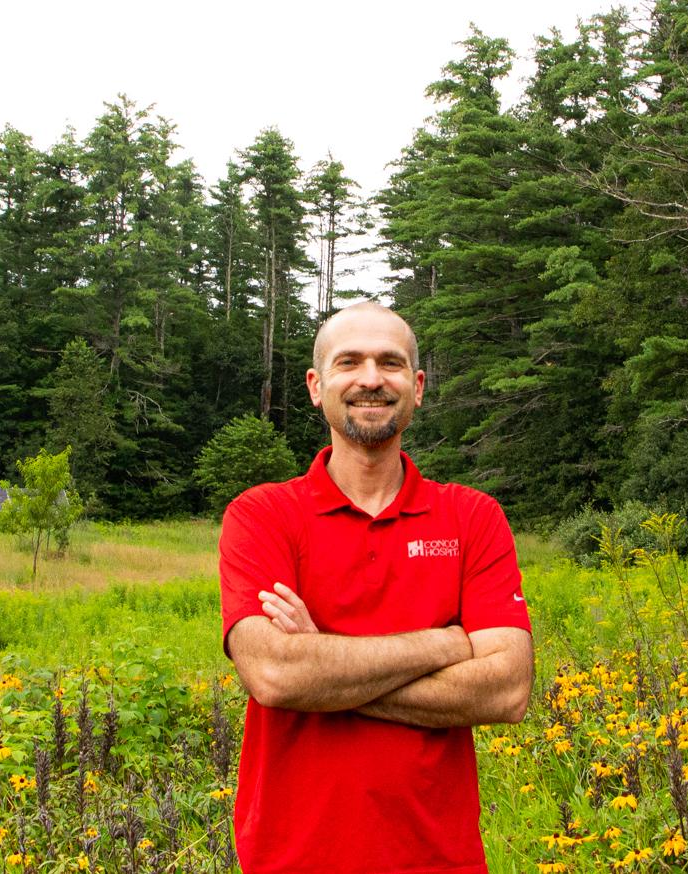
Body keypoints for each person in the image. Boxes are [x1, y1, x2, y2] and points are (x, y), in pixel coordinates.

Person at [218, 301, 534, 874]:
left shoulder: (472, 518)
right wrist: (447, 644)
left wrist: (324, 667)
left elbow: (506, 690)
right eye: (349, 362)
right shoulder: (262, 515)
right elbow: (275, 674)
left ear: (417, 387)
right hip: (291, 859)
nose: (370, 379)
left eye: (390, 363)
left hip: (439, 859)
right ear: (317, 386)